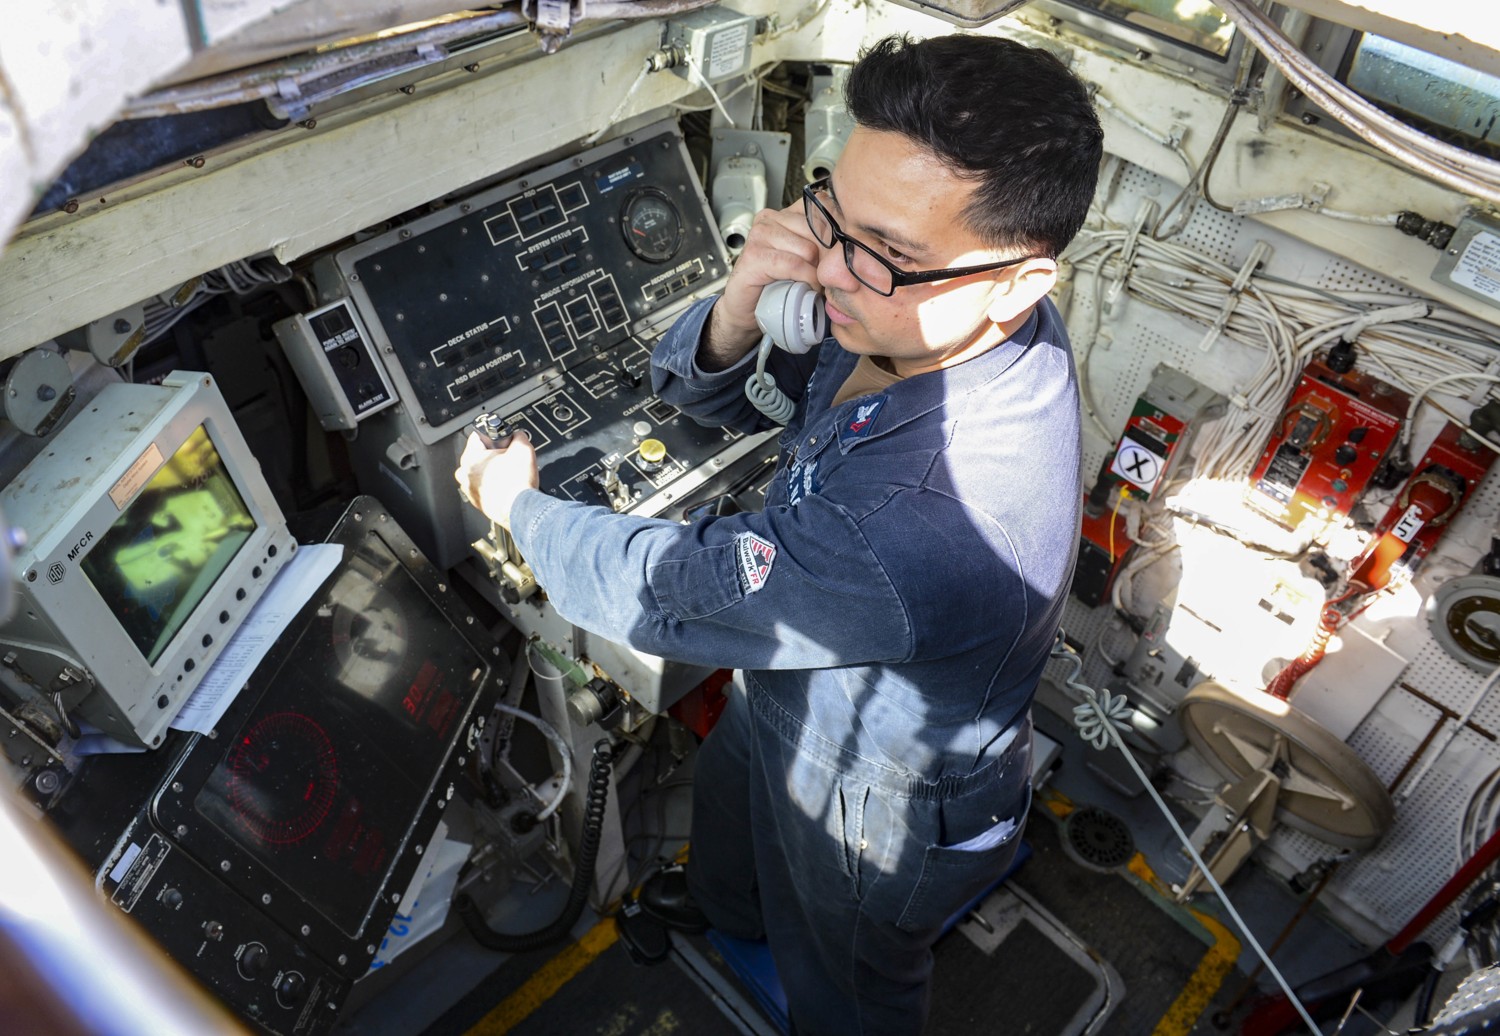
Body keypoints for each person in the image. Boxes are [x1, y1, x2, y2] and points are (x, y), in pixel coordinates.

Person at [455, 31, 1102, 1035]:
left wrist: (517, 507)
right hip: (790, 696)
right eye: (833, 213)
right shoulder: (948, 320)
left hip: (879, 797)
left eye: (886, 255)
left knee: (847, 972)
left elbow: (670, 590)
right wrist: (741, 304)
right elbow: (715, 392)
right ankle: (725, 909)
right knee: (730, 805)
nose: (834, 270)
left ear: (1020, 281)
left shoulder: (922, 524)